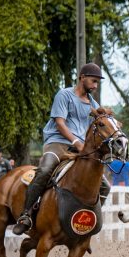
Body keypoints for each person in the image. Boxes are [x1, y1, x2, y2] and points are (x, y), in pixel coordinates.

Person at [13, 63, 111, 235]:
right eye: (93, 81)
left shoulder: (92, 103)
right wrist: (77, 142)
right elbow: (60, 124)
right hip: (57, 142)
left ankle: (86, 222)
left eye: (97, 83)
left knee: (104, 186)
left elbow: (100, 124)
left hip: (79, 149)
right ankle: (26, 215)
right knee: (44, 171)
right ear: (82, 77)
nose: (95, 86)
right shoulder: (64, 95)